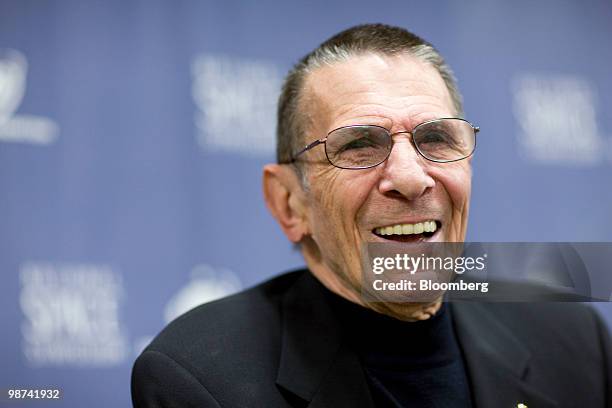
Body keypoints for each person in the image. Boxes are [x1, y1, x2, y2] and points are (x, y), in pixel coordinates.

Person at [131, 24, 611, 407]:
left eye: (437, 139)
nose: (410, 177)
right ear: (289, 203)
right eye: (359, 145)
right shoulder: (201, 380)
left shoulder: (572, 338)